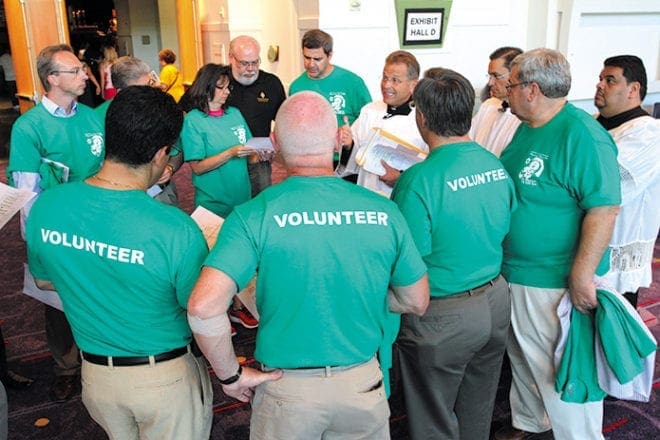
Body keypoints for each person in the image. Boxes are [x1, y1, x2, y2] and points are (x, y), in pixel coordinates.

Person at [187, 91, 429, 439]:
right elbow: (416, 300)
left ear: (274, 141)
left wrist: (230, 376)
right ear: (336, 140)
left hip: (287, 390)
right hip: (361, 385)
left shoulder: (254, 214)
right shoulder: (384, 211)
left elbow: (203, 307)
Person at [25, 86, 213, 439]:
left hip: (96, 378)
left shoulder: (48, 206)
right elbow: (199, 308)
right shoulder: (174, 227)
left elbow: (46, 281)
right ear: (161, 154)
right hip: (165, 378)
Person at [496, 48, 621, 440]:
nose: (505, 93)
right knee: (524, 362)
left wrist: (582, 275)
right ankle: (530, 425)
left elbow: (605, 209)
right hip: (517, 271)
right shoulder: (526, 125)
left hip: (553, 278)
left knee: (560, 374)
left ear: (531, 89)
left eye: (511, 85)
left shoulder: (583, 136)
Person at [391, 68, 516, 439]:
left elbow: (407, 264)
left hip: (442, 314)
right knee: (478, 405)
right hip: (495, 300)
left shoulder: (418, 181)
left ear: (423, 118)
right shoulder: (494, 163)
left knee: (432, 415)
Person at [7, 44, 104, 402]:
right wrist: (41, 241)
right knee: (58, 304)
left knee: (99, 295)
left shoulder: (92, 117)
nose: (84, 75)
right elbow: (27, 193)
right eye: (76, 70)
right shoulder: (29, 126)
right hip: (56, 230)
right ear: (52, 78)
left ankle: (99, 361)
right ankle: (66, 367)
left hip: (96, 225)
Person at [594, 55, 660, 308]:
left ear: (634, 89)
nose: (600, 85)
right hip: (584, 246)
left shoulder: (648, 133)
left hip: (617, 251)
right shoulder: (594, 123)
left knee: (612, 334)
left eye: (610, 80)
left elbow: (607, 184)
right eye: (600, 79)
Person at [95, 56, 182, 206]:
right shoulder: (96, 118)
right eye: (141, 89)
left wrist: (170, 167)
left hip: (160, 194)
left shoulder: (160, 110)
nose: (150, 92)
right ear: (121, 92)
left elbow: (177, 150)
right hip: (118, 198)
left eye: (150, 84)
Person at [340, 50, 427, 196]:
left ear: (413, 85)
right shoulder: (369, 111)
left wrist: (401, 178)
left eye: (395, 80)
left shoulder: (423, 118)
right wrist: (348, 144)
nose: (386, 85)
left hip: (400, 198)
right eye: (385, 78)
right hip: (366, 194)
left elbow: (429, 169)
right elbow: (353, 163)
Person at [289, 29, 372, 166]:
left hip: (345, 159)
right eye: (306, 57)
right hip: (309, 160)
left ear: (330, 55)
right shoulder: (297, 87)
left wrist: (350, 136)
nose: (311, 64)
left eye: (317, 59)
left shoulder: (352, 82)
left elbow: (368, 121)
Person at [180, 63, 253, 218]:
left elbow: (250, 151)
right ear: (206, 88)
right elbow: (197, 167)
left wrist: (261, 153)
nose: (227, 92)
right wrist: (230, 153)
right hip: (213, 203)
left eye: (228, 87)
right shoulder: (193, 120)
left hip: (242, 198)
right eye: (221, 87)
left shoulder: (234, 114)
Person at [226, 35, 286, 197]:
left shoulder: (271, 83)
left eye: (255, 62)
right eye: (245, 63)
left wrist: (275, 145)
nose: (251, 68)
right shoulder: (218, 82)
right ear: (231, 57)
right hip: (224, 160)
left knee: (260, 203)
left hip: (259, 159)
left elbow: (283, 121)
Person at [469, 46, 523, 157]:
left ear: (515, 75)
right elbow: (467, 141)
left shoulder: (524, 118)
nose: (490, 83)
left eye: (496, 76)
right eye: (489, 76)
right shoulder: (488, 105)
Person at [0, 45, 18, 110]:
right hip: (16, 77)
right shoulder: (12, 56)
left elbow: (1, 69)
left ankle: (15, 105)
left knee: (11, 92)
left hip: (8, 78)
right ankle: (19, 104)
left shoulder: (1, 58)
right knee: (17, 91)